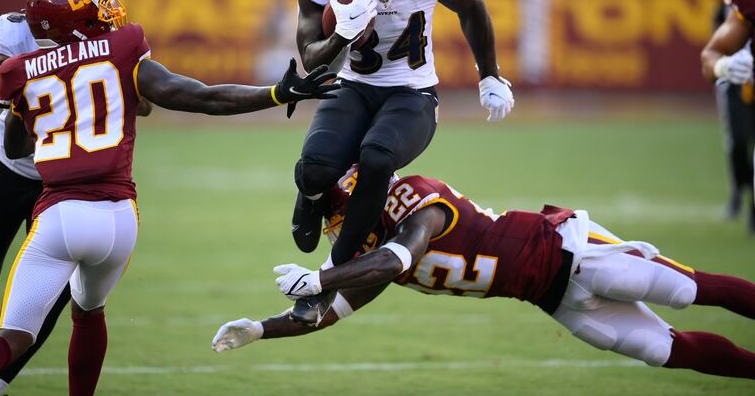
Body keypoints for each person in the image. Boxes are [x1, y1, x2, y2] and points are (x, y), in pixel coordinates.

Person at [0, 0, 338, 396]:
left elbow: (18, 144)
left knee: (13, 337)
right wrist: (276, 94)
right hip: (120, 220)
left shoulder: (21, 71)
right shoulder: (122, 49)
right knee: (89, 313)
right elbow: (200, 96)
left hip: (60, 216)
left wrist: (32, 104)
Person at [213, 166, 755, 380]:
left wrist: (323, 277)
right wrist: (262, 328)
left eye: (338, 221)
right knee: (661, 349)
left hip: (568, 249)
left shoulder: (413, 198)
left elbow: (404, 253)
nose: (338, 234)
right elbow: (326, 314)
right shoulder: (371, 254)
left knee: (684, 289)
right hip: (552, 297)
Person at [287, 0, 514, 324]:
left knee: (376, 159)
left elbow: (472, 5)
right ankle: (311, 197)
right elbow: (312, 59)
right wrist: (342, 36)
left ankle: (332, 276)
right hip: (351, 85)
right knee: (315, 170)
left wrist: (490, 75)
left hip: (411, 91)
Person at [0, 0, 153, 396]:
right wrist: (43, 66)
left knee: (46, 305)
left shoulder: (109, 42)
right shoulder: (18, 31)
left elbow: (142, 102)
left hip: (65, 182)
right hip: (14, 171)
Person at [701, 0, 755, 233]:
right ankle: (741, 197)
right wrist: (726, 66)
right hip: (743, 82)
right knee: (740, 142)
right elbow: (710, 55)